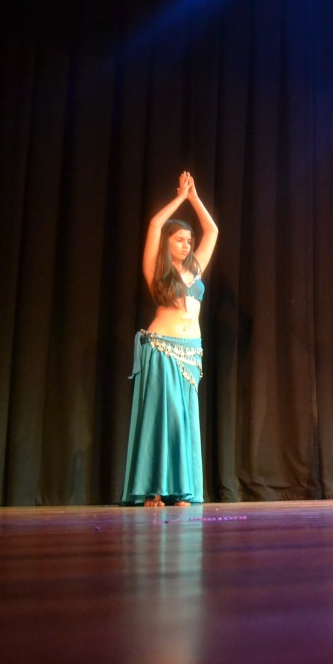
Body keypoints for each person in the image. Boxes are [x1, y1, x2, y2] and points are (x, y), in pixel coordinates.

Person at [121, 172, 219, 507]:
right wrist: (179, 198)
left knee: (183, 419)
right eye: (179, 240)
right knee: (163, 418)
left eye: (188, 241)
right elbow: (153, 224)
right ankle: (156, 490)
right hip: (162, 348)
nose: (187, 245)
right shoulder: (157, 270)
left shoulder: (195, 269)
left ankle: (182, 490)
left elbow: (213, 231)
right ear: (167, 242)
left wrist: (194, 199)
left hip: (191, 352)